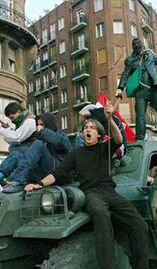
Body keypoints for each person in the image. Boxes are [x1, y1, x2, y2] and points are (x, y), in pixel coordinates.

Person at [25, 102, 149, 269]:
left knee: (139, 225)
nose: (88, 129)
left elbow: (119, 139)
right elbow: (58, 173)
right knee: (101, 216)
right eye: (86, 128)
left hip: (110, 192)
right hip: (91, 193)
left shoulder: (104, 148)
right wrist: (38, 184)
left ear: (99, 134)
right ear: (82, 133)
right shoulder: (76, 154)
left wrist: (110, 118)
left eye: (92, 127)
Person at [116, 37, 157, 140]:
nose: (136, 45)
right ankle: (140, 138)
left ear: (142, 44)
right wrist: (120, 89)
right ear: (132, 46)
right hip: (140, 91)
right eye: (134, 43)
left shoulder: (149, 55)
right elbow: (125, 75)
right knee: (140, 116)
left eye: (138, 43)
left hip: (153, 89)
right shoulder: (130, 60)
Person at [1, 112, 72, 193]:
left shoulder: (61, 137)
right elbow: (27, 159)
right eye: (38, 125)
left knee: (38, 144)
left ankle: (18, 181)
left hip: (57, 175)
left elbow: (61, 142)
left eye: (42, 124)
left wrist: (43, 132)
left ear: (49, 124)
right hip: (41, 176)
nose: (39, 127)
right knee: (18, 151)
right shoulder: (39, 139)